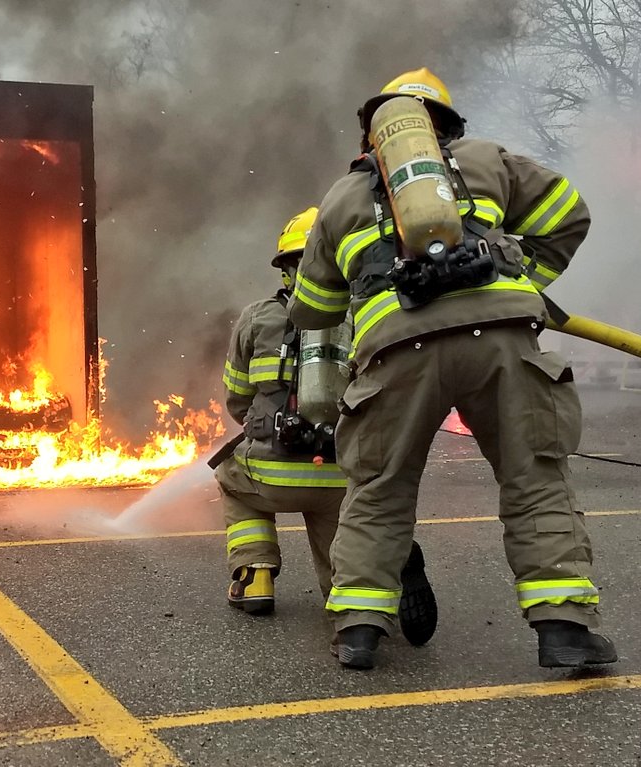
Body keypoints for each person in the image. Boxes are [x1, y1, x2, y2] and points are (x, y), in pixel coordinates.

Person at [287, 67, 617, 670]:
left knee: (379, 490)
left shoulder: (340, 197)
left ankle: (360, 629)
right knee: (534, 479)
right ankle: (564, 628)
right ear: (448, 125)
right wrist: (521, 282)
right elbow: (569, 215)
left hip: (398, 353)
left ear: (370, 137)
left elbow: (312, 308)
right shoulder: (489, 159)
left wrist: (366, 300)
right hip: (504, 342)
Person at [212, 207, 437, 648]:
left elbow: (237, 399)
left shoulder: (257, 317)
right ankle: (353, 599)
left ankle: (253, 575)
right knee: (350, 541)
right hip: (342, 475)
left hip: (269, 475)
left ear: (287, 268)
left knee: (231, 480)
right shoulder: (371, 317)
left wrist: (269, 433)